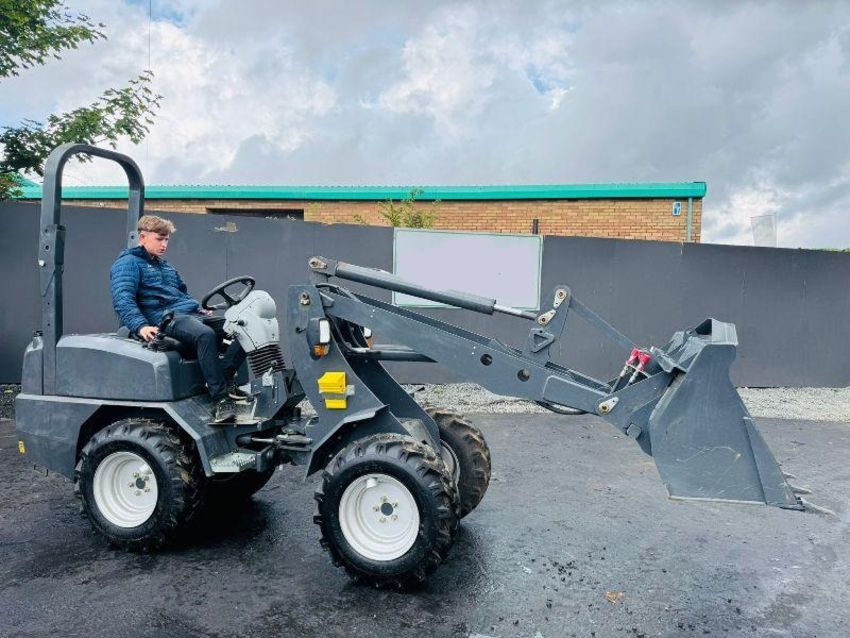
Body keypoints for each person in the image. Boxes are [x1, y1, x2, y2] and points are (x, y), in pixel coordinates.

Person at [110, 214, 245, 421]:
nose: (164, 244)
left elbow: (181, 294)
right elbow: (123, 299)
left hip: (188, 314)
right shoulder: (128, 264)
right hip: (164, 318)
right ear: (143, 237)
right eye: (159, 239)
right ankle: (220, 399)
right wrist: (141, 326)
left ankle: (223, 379)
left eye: (166, 240)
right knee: (205, 335)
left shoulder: (166, 267)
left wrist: (199, 309)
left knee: (243, 328)